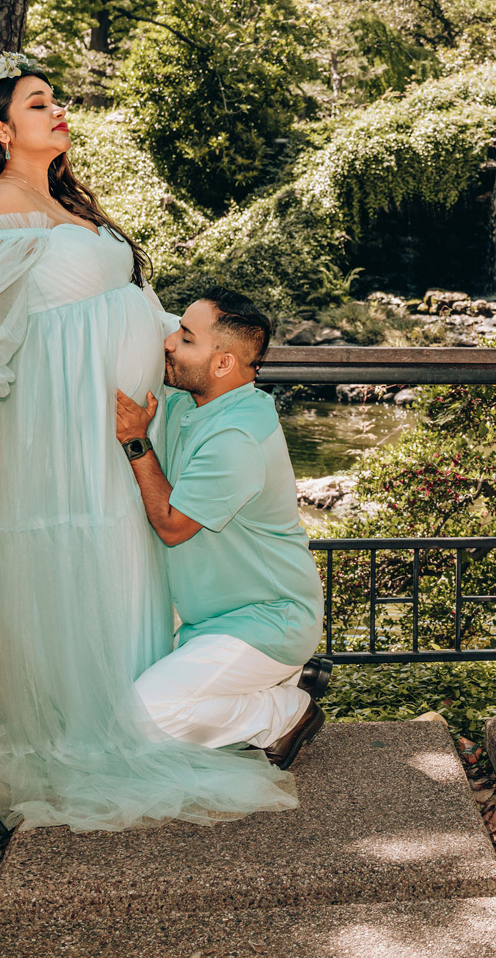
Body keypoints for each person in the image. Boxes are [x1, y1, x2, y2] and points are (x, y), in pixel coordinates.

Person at [0, 51, 295, 831]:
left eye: (56, 100)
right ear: (0, 130)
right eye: (38, 104)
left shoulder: (66, 201)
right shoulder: (3, 196)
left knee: (120, 559)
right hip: (63, 424)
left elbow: (121, 302)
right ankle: (81, 734)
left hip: (116, 428)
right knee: (72, 560)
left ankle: (132, 713)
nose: (57, 109)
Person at [115, 291, 327, 769]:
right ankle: (286, 681)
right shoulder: (201, 399)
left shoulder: (236, 438)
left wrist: (134, 440)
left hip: (267, 620)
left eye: (186, 337)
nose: (168, 343)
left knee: (143, 720)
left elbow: (172, 527)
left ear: (223, 363)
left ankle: (284, 710)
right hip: (214, 621)